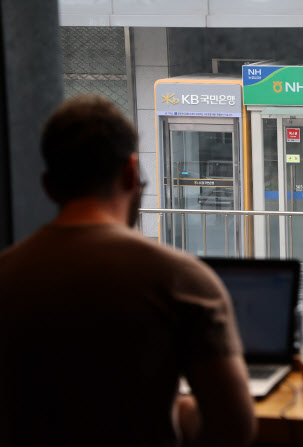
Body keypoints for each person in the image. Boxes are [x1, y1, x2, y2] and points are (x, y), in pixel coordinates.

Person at [0, 95, 257, 447]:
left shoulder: (7, 274)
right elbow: (233, 429)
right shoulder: (183, 280)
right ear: (131, 172)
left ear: (48, 186)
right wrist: (182, 411)